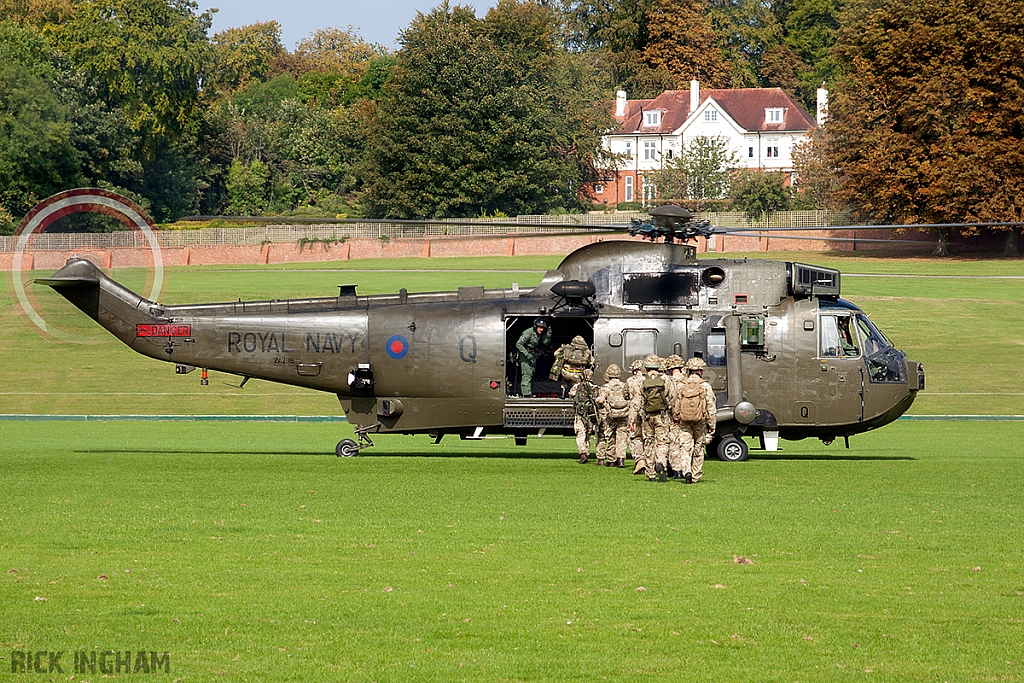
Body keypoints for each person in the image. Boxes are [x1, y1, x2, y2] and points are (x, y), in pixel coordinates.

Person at [673, 357, 717, 483]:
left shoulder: (681, 385)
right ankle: (695, 475)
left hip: (684, 421)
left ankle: (686, 471)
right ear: (700, 370)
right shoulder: (705, 386)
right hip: (700, 422)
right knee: (698, 448)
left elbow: (676, 403)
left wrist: (676, 418)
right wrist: (712, 424)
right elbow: (711, 406)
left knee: (685, 448)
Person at [640, 354, 674, 482]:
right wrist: (674, 415)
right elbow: (672, 398)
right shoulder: (666, 380)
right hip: (662, 416)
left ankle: (650, 474)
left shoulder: (642, 381)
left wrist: (634, 419)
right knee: (662, 442)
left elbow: (637, 402)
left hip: (647, 417)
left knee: (648, 443)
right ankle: (661, 464)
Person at [596, 364, 630, 467]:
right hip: (624, 414)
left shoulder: (605, 387)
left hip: (610, 415)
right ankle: (621, 460)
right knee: (622, 437)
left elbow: (601, 400)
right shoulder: (624, 385)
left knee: (611, 436)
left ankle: (611, 460)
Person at [662, 354, 687, 479]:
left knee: (673, 443)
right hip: (688, 416)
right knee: (686, 443)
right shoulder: (687, 379)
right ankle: (687, 468)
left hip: (673, 417)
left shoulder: (669, 381)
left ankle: (676, 470)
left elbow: (667, 399)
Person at [569, 368, 600, 464]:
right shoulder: (594, 387)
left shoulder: (577, 386)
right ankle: (587, 452)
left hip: (580, 414)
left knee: (580, 433)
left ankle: (583, 453)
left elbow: (571, 394)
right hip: (591, 414)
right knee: (588, 434)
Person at [516, 318, 553, 397]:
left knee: (531, 373)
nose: (541, 329)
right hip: (525, 355)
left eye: (543, 328)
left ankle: (529, 392)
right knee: (527, 373)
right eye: (540, 327)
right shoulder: (528, 333)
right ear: (535, 326)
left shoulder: (539, 334)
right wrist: (526, 354)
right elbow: (519, 344)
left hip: (532, 355)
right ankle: (526, 394)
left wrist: (548, 336)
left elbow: (546, 343)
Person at [626, 359, 647, 475]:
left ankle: (639, 460)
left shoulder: (630, 381)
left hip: (634, 411)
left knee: (635, 437)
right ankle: (651, 462)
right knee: (648, 438)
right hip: (646, 412)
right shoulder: (647, 380)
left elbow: (625, 394)